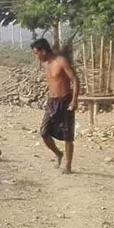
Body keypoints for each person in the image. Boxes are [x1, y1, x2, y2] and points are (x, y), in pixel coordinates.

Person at [30, 38, 79, 174]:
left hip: (65, 101)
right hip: (52, 102)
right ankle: (58, 153)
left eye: (36, 53)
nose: (36, 56)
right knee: (44, 132)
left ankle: (68, 166)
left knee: (67, 135)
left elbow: (75, 80)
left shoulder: (61, 61)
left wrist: (74, 100)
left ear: (43, 51)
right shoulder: (45, 63)